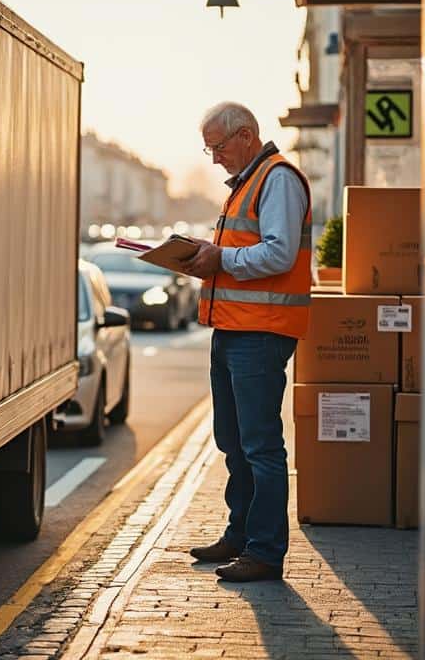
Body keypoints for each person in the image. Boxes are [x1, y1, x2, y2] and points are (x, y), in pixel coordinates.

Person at [180, 102, 312, 583]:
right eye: (209, 149)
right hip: (234, 329)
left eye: (218, 147)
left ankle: (265, 552)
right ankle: (240, 535)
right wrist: (205, 255)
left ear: (246, 136)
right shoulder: (246, 184)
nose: (215, 157)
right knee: (233, 442)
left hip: (261, 332)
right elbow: (243, 249)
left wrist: (220, 259)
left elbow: (278, 253)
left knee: (260, 447)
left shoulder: (277, 179)